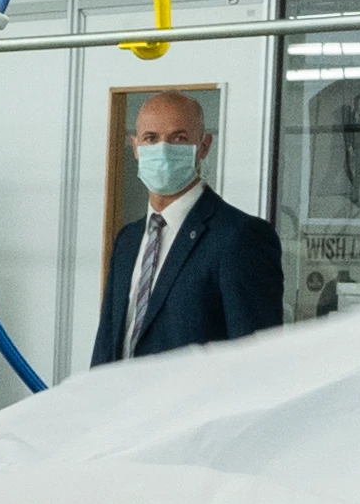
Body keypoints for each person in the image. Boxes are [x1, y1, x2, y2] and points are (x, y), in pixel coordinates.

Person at [91, 91, 276, 368]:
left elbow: (256, 359)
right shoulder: (128, 240)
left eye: (178, 138)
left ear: (203, 146)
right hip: (125, 408)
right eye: (151, 138)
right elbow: (107, 345)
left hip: (196, 410)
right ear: (135, 147)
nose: (162, 149)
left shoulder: (239, 237)